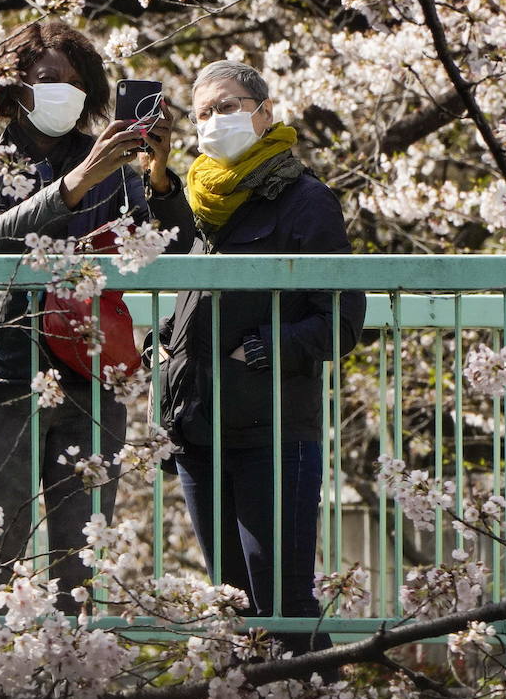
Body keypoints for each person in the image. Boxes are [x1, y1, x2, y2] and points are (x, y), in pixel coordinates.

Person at [0, 20, 195, 610]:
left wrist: (157, 178)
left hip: (90, 372)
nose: (66, 92)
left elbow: (172, 245)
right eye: (50, 79)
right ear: (15, 86)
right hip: (3, 372)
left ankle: (62, 694)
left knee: (77, 567)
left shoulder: (108, 162)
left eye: (78, 83)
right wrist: (80, 182)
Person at [156, 59, 365, 654]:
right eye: (203, 113)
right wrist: (166, 340)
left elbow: (341, 320)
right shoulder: (201, 204)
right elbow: (201, 299)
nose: (215, 121)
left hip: (273, 431)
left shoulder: (305, 200)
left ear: (263, 113)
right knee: (231, 604)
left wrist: (264, 349)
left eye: (227, 106)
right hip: (198, 431)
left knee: (284, 601)